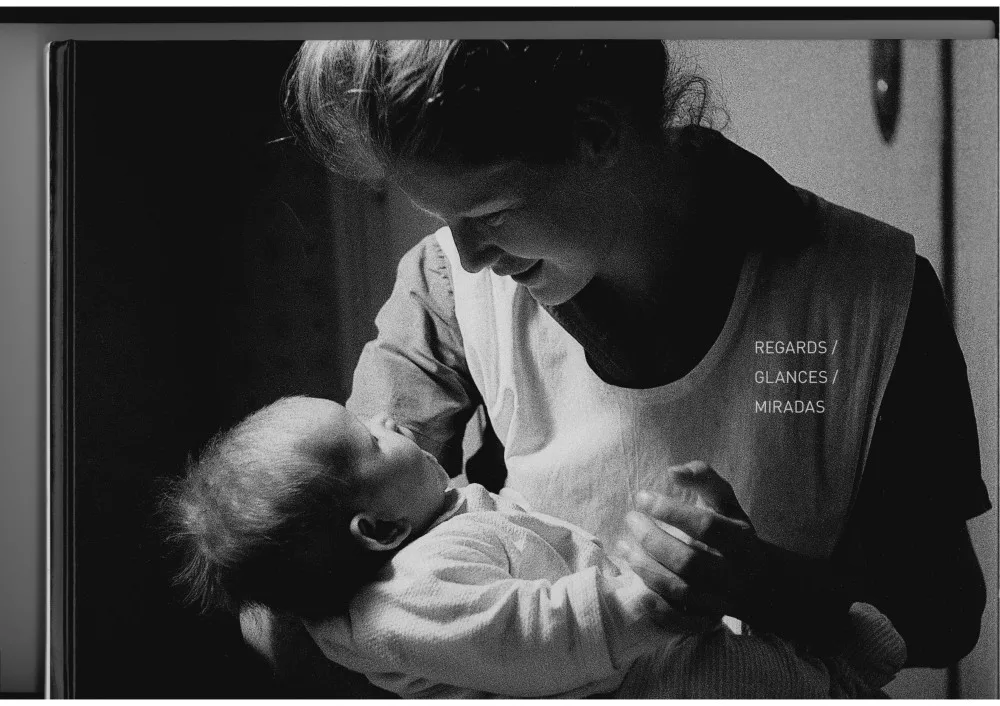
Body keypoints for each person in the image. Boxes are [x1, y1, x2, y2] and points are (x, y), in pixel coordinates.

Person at [251, 39, 989, 688]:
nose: (469, 256)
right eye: (444, 220)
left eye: (489, 213)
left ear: (597, 135)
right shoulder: (444, 287)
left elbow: (945, 615)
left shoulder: (866, 295)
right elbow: (310, 584)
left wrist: (761, 583)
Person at [168, 395, 908, 698]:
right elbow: (532, 634)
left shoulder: (429, 537)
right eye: (370, 439)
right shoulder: (404, 600)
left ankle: (846, 666)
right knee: (755, 678)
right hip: (637, 681)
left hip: (632, 661)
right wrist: (646, 602)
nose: (388, 419)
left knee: (786, 662)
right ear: (379, 529)